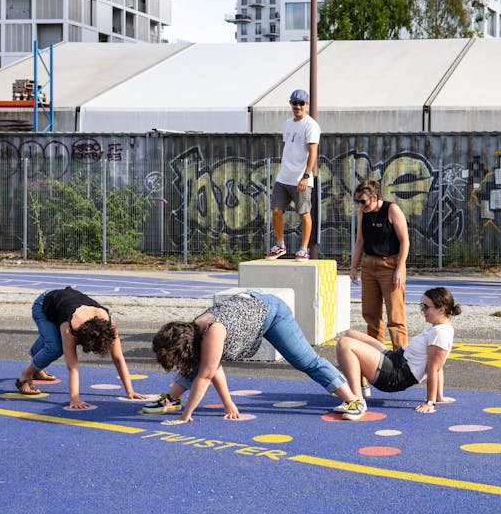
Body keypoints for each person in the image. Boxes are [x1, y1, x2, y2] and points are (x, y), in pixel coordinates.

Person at [148, 291, 367, 422]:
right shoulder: (195, 329)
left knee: (305, 360)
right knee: (202, 361)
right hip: (250, 308)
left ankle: (354, 400)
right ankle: (172, 398)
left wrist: (186, 416)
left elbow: (205, 377)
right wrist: (229, 404)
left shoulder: (212, 331)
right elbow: (212, 367)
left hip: (272, 312)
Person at [13, 287, 146, 409]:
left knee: (52, 338)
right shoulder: (70, 326)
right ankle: (26, 375)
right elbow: (73, 367)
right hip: (43, 305)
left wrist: (130, 391)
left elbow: (118, 358)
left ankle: (38, 364)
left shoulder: (109, 325)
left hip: (62, 304)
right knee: (55, 347)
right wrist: (74, 399)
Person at [335, 287, 460, 414]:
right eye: (422, 305)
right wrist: (439, 396)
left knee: (345, 344)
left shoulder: (440, 333)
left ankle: (357, 401)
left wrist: (430, 402)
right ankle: (362, 386)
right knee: (351, 334)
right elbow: (439, 364)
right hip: (396, 358)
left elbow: (434, 368)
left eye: (426, 307)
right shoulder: (437, 327)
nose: (423, 310)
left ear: (441, 310)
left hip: (396, 375)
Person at [350, 179, 410, 353]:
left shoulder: (392, 210)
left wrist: (399, 268)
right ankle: (377, 354)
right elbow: (360, 240)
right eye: (357, 202)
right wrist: (354, 267)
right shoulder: (363, 213)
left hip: (390, 264)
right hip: (369, 265)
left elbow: (405, 241)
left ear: (374, 198)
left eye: (363, 202)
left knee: (395, 315)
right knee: (370, 314)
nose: (360, 206)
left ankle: (401, 356)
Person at [267, 88, 320, 262]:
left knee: (304, 213)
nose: (298, 106)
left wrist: (306, 176)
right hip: (283, 177)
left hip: (301, 179)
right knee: (276, 210)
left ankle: (303, 248)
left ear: (307, 104)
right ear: (290, 104)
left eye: (301, 103)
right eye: (294, 103)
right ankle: (280, 244)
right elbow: (289, 148)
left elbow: (313, 152)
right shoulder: (288, 124)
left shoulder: (311, 125)